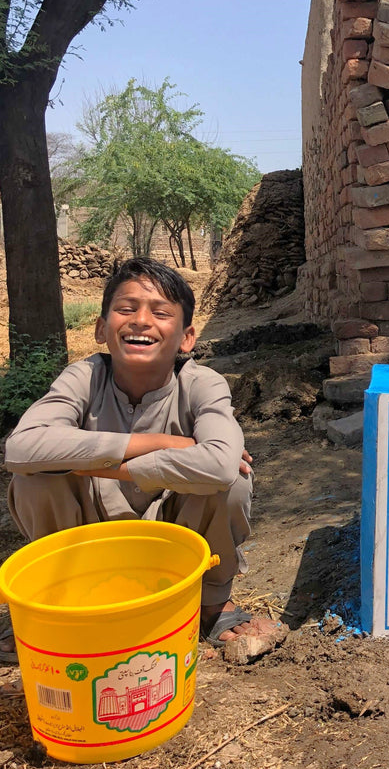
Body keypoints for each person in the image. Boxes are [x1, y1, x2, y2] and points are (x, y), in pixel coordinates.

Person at [2, 258, 283, 662]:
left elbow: (222, 464)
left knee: (233, 481)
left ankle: (210, 604)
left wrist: (99, 463)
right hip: (89, 539)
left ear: (187, 338)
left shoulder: (202, 384)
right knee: (34, 478)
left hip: (171, 534)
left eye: (160, 312)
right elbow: (21, 448)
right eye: (126, 308)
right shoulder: (83, 378)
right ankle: (60, 605)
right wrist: (159, 442)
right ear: (101, 329)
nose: (141, 321)